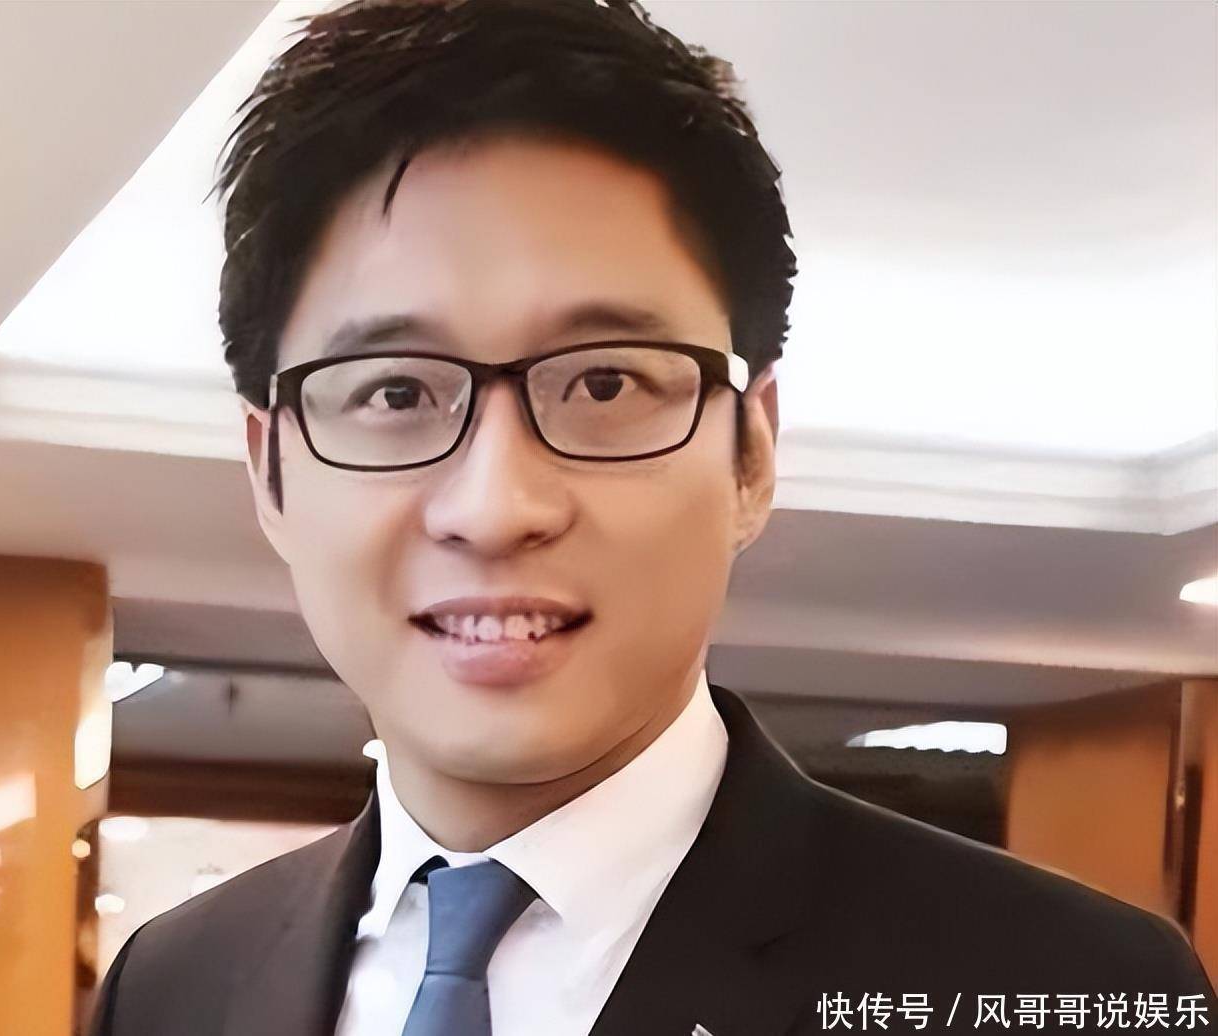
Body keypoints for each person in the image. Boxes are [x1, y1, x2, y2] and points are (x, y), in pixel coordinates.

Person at [89, 1, 1216, 1033]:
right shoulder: (174, 983)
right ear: (270, 469)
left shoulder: (1061, 988)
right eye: (393, 393)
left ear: (750, 453)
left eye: (604, 382)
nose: (496, 506)